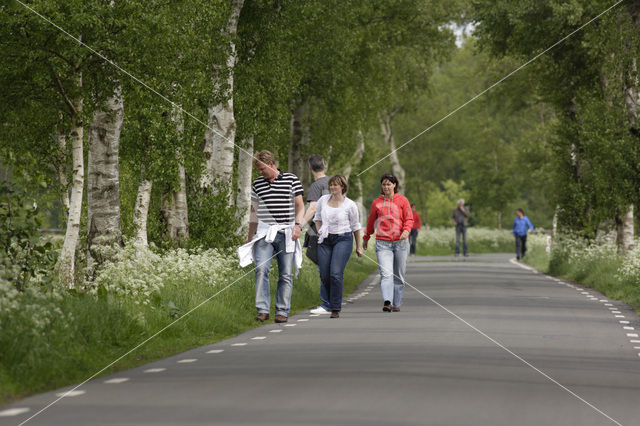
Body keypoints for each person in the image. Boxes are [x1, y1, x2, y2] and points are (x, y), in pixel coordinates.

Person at [245, 150, 304, 324]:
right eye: (258, 170)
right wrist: (250, 236)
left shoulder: (291, 179)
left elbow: (300, 206)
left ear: (271, 164)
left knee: (285, 273)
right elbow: (254, 212)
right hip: (265, 232)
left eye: (262, 169)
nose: (260, 173)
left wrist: (298, 226)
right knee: (261, 269)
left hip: (286, 232)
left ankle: (282, 310)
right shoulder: (258, 184)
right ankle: (263, 309)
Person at [313, 175, 363, 318]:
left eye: (336, 185)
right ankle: (327, 303)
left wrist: (358, 246)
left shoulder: (350, 205)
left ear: (342, 187)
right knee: (324, 273)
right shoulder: (323, 200)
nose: (333, 187)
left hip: (343, 239)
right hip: (325, 240)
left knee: (335, 273)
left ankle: (335, 307)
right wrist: (319, 231)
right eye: (331, 185)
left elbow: (355, 226)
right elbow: (317, 218)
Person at [363, 173, 413, 312]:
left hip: (400, 243)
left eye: (389, 184)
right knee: (386, 274)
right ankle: (387, 301)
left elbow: (409, 219)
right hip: (383, 243)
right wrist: (366, 237)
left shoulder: (403, 201)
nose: (386, 187)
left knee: (399, 275)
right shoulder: (376, 203)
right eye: (384, 184)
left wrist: (406, 231)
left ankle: (396, 303)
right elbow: (371, 222)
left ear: (394, 185)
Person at [301, 155, 332, 315]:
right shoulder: (334, 183)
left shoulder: (316, 185)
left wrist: (300, 224)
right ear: (324, 165)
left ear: (310, 168)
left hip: (319, 231)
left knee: (322, 266)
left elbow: (313, 208)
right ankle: (332, 301)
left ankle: (326, 303)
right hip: (336, 230)